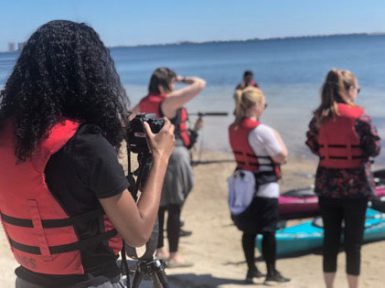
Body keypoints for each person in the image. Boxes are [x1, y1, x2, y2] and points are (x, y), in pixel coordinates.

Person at [0, 20, 175, 288]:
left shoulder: (8, 134)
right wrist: (161, 156)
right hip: (89, 280)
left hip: (28, 279)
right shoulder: (84, 145)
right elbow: (138, 233)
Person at [305, 69, 381, 288]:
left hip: (327, 186)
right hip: (355, 188)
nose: (357, 92)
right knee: (353, 242)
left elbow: (312, 145)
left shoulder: (319, 117)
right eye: (357, 88)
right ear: (348, 90)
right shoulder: (360, 117)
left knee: (330, 239)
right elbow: (374, 148)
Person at [132, 67, 206, 268]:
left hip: (151, 157)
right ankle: (174, 255)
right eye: (172, 82)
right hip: (171, 157)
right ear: (164, 84)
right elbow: (200, 84)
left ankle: (160, 249)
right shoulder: (168, 101)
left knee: (158, 205)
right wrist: (183, 78)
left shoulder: (145, 102)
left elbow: (128, 118)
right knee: (174, 206)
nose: (174, 86)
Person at [228, 87, 290, 285]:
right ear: (256, 105)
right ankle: (271, 273)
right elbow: (281, 156)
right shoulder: (262, 131)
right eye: (264, 104)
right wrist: (278, 136)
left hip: (244, 184)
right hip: (264, 186)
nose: (264, 107)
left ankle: (251, 270)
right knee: (268, 230)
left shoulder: (233, 128)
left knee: (249, 230)